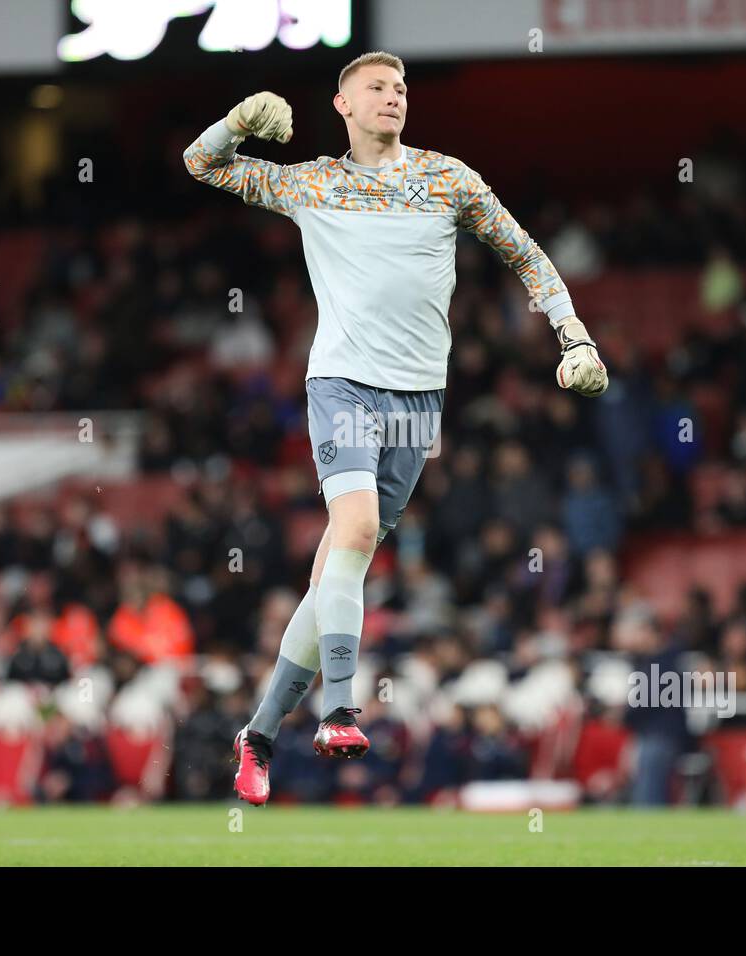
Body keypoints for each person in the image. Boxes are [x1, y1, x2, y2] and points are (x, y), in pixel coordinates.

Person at [185, 51, 608, 805]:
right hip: (342, 383)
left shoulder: (448, 178)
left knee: (332, 581)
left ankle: (257, 735)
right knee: (352, 533)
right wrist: (240, 119)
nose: (394, 97)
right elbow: (202, 163)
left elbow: (525, 253)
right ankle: (340, 707)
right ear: (343, 106)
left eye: (402, 88)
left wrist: (574, 334)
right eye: (377, 88)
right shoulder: (313, 181)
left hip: (419, 403)